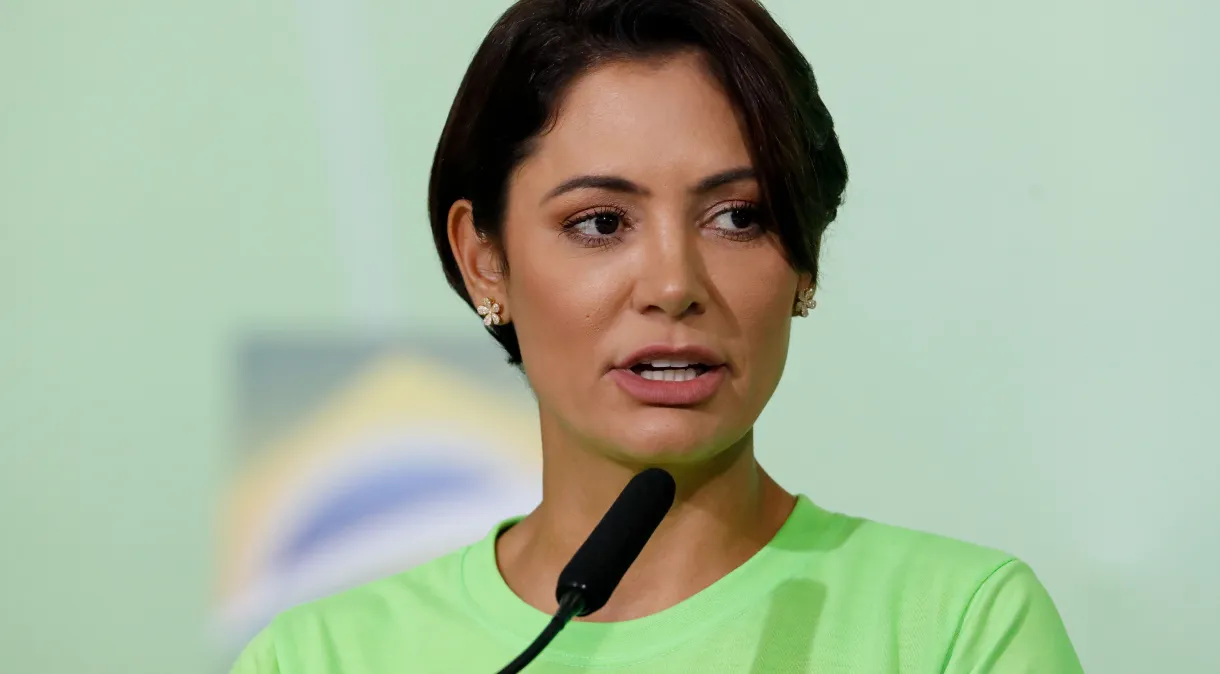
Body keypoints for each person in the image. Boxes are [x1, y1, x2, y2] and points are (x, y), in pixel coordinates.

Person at [232, 0, 1084, 671]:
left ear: (805, 264)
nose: (674, 285)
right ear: (484, 259)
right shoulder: (320, 659)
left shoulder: (959, 630)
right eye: (601, 223)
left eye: (738, 217)